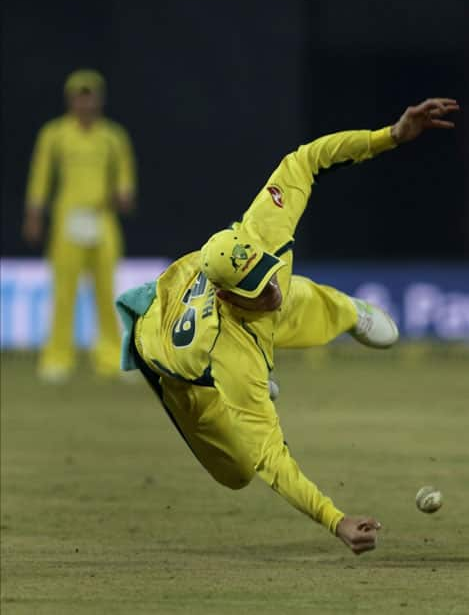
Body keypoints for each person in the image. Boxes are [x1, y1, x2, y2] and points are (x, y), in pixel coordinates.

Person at [117, 98, 459, 555]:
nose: (268, 290)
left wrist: (391, 136)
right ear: (226, 296)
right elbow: (272, 460)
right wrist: (336, 520)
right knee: (237, 471)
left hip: (205, 303)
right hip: (176, 362)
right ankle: (249, 392)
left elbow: (307, 158)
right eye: (253, 288)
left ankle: (342, 310)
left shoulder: (261, 233)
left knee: (290, 297)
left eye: (261, 273)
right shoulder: (226, 353)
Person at [23, 69, 137, 381]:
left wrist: (123, 194)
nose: (85, 103)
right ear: (70, 99)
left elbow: (125, 180)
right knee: (64, 292)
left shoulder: (113, 137)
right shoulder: (55, 134)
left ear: (99, 99)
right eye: (79, 96)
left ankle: (112, 356)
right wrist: (34, 215)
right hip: (67, 220)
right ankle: (57, 357)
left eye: (90, 96)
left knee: (106, 292)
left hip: (102, 220)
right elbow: (40, 177)